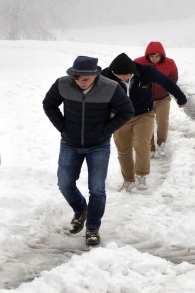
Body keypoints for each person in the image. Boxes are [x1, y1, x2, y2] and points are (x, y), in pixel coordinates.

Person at [43, 56, 134, 246]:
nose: (79, 82)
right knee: (65, 183)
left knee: (97, 189)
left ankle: (93, 228)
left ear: (95, 74)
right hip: (70, 143)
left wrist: (105, 131)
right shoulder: (63, 84)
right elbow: (49, 104)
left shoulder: (110, 87)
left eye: (84, 79)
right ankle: (80, 210)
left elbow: (127, 111)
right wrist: (63, 127)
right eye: (76, 78)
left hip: (98, 146)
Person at [102, 53, 187, 192]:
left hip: (143, 114)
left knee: (142, 145)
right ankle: (128, 180)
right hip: (119, 116)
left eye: (126, 74)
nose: (123, 78)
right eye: (119, 75)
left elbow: (167, 82)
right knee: (123, 150)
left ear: (133, 70)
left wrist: (181, 98)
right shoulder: (105, 75)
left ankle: (141, 176)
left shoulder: (146, 72)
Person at [133, 41, 179, 158]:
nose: (154, 59)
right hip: (144, 100)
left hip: (162, 98)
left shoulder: (170, 63)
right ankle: (150, 147)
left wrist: (166, 87)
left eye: (157, 56)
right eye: (152, 56)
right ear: (147, 55)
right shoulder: (138, 62)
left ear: (161, 55)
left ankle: (161, 143)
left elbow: (173, 78)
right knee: (147, 124)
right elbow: (131, 79)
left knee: (162, 122)